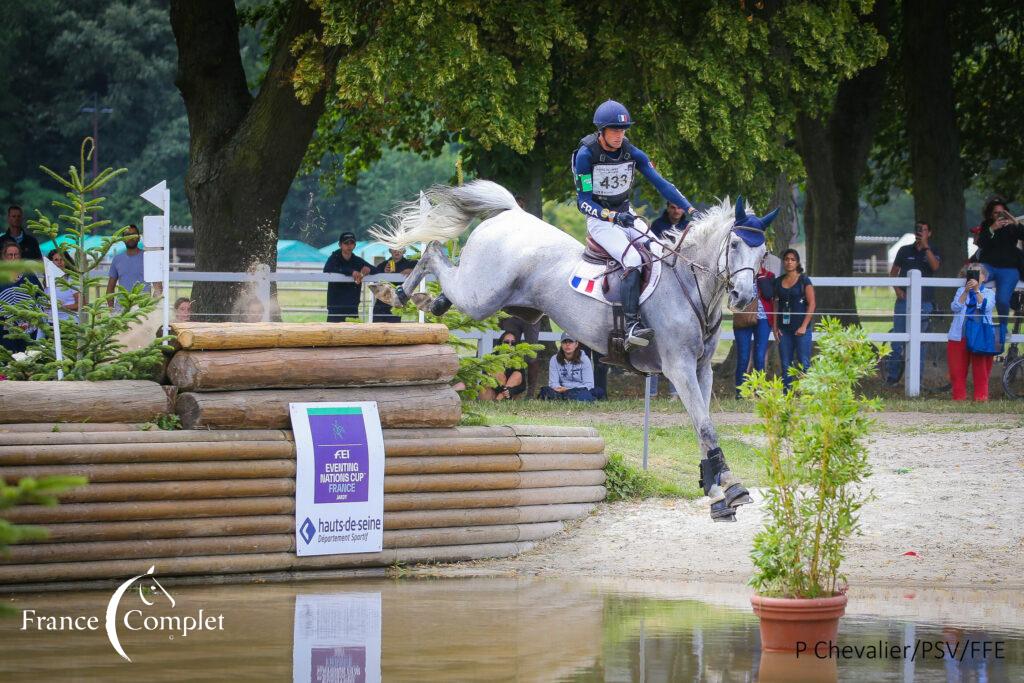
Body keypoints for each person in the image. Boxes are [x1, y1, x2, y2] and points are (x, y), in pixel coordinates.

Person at [572, 100, 698, 351]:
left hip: (626, 213)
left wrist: (690, 208)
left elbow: (662, 184)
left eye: (623, 130)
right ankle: (631, 325)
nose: (620, 136)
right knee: (632, 259)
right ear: (602, 131)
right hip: (601, 220)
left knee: (659, 250)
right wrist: (612, 217)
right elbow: (582, 202)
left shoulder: (632, 152)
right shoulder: (586, 156)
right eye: (614, 131)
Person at [884, 221, 942, 384]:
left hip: (925, 302)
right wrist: (897, 290)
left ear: (929, 233)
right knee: (898, 339)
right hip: (904, 301)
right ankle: (892, 378)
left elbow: (935, 267)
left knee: (920, 343)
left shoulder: (934, 250)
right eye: (918, 230)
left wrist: (925, 247)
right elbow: (893, 273)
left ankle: (917, 380)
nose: (920, 233)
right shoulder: (904, 250)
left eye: (924, 230)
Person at [974, 196, 1024, 346]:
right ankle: (976, 321)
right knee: (974, 279)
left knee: (1002, 300)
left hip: (1008, 269)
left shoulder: (1013, 226)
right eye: (996, 213)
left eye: (1003, 213)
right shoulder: (986, 225)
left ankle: (1002, 327)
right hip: (989, 265)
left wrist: (1014, 222)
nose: (1000, 215)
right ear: (991, 215)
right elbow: (981, 243)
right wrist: (992, 229)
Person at [947, 264, 997, 401]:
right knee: (957, 370)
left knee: (981, 370)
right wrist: (965, 292)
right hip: (959, 335)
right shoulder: (960, 290)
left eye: (977, 273)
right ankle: (959, 398)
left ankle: (981, 398)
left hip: (980, 336)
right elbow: (955, 307)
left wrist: (976, 291)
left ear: (984, 277)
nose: (973, 276)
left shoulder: (989, 292)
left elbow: (986, 307)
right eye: (971, 273)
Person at [772, 249, 815, 392]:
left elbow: (812, 304)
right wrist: (774, 327)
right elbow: (775, 305)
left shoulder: (804, 280)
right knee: (785, 364)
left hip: (802, 330)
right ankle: (787, 395)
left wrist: (803, 326)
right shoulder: (778, 282)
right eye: (786, 259)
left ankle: (806, 395)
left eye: (792, 259)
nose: (789, 262)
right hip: (784, 330)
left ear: (797, 262)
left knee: (804, 363)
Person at [734, 261, 775, 398]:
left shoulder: (769, 275)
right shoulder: (740, 275)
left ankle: (760, 391)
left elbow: (769, 294)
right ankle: (740, 393)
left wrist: (761, 276)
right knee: (743, 357)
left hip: (763, 319)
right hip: (743, 318)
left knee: (759, 356)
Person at [0, 241, 43, 353]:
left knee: (28, 359)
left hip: (29, 328)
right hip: (4, 330)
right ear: (4, 257)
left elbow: (40, 297)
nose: (13, 258)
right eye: (10, 255)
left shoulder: (29, 275)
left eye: (16, 254)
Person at [538, 333, 606, 401]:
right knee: (545, 391)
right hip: (561, 390)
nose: (567, 345)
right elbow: (553, 383)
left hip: (579, 389)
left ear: (576, 344)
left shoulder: (584, 359)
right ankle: (567, 398)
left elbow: (589, 384)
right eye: (564, 342)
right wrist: (560, 389)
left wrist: (569, 389)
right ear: (561, 344)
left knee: (596, 391)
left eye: (570, 342)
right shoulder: (554, 359)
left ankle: (565, 398)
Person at [323, 231, 372, 322]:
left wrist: (368, 269)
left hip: (352, 306)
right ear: (340, 244)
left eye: (351, 243)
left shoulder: (357, 260)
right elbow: (327, 269)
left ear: (355, 245)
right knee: (332, 334)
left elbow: (375, 270)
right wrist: (351, 272)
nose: (349, 245)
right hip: (335, 306)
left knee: (353, 335)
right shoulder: (333, 258)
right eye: (346, 243)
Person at [106, 225, 149, 308]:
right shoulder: (117, 259)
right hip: (121, 312)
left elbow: (158, 287)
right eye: (127, 235)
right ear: (123, 239)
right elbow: (110, 289)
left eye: (133, 235)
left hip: (143, 311)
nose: (131, 237)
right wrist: (111, 311)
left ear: (139, 237)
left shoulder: (147, 257)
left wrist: (151, 309)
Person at [477, 331, 526, 401]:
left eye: (513, 343)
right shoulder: (493, 357)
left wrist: (509, 391)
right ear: (501, 343)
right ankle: (498, 400)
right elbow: (486, 379)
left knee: (517, 374)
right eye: (506, 342)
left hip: (507, 394)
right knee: (498, 372)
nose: (509, 345)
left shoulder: (518, 359)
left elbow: (523, 386)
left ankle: (498, 400)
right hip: (491, 391)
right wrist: (504, 390)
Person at [372, 247, 416, 322]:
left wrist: (412, 270)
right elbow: (374, 282)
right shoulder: (383, 265)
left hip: (396, 303)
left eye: (400, 248)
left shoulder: (410, 263)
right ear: (390, 250)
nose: (397, 251)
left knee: (394, 330)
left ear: (404, 250)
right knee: (376, 330)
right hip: (381, 304)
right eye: (394, 248)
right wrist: (384, 274)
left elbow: (423, 266)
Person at [45, 250, 80, 321]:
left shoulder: (72, 279)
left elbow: (81, 304)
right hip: (51, 321)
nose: (59, 262)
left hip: (69, 321)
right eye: (56, 260)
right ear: (51, 263)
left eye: (62, 259)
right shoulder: (48, 280)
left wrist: (61, 307)